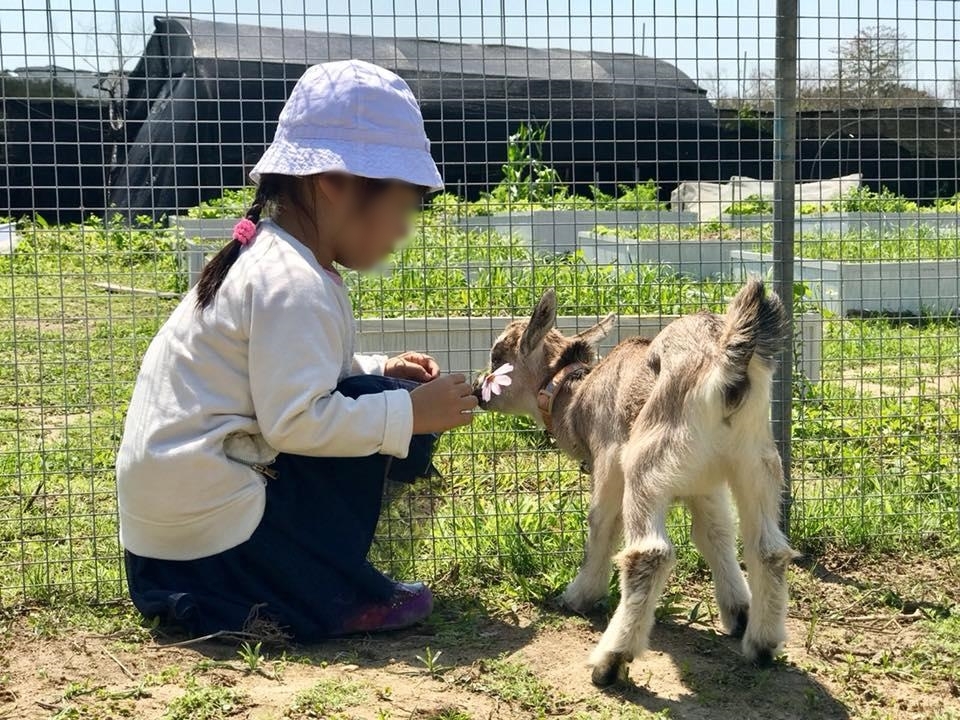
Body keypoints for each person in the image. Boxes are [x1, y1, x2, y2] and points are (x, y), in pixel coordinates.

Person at [116, 59, 478, 641]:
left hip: (168, 546)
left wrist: (379, 368)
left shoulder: (270, 257)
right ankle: (332, 596)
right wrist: (412, 412)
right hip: (218, 541)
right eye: (402, 204)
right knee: (375, 407)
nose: (404, 227)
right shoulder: (292, 281)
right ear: (333, 180)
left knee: (373, 390)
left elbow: (275, 372)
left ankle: (312, 574)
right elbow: (295, 420)